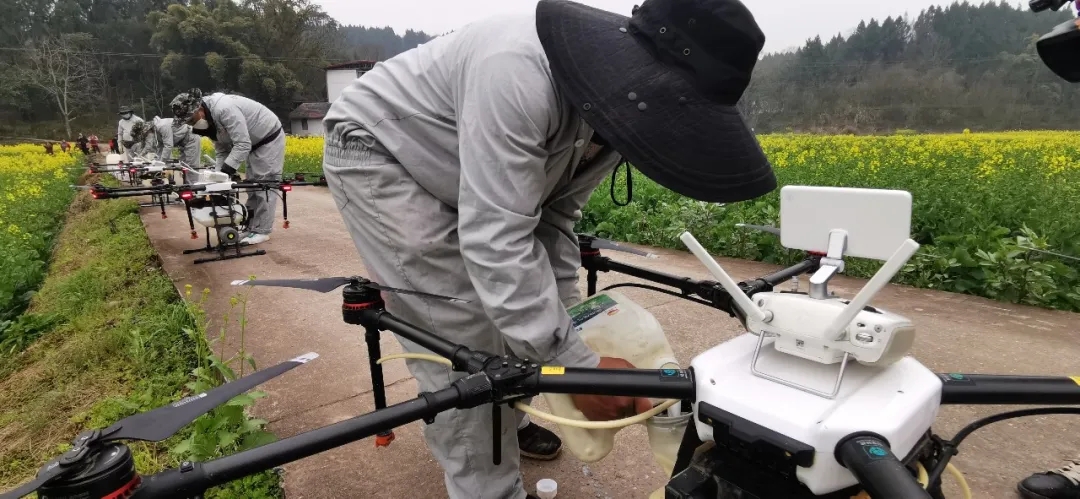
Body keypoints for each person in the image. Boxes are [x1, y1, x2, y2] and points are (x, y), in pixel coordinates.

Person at [320, 0, 774, 497]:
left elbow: (552, 220)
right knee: (460, 330)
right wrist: (577, 370)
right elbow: (496, 239)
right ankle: (488, 485)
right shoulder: (516, 71)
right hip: (383, 149)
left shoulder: (618, 112)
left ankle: (508, 415)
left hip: (459, 165)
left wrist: (574, 335)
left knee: (527, 316)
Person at [170, 88, 285, 246]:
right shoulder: (210, 121)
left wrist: (226, 172)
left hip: (268, 138)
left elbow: (242, 144)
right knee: (252, 187)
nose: (191, 124)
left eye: (191, 120)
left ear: (199, 109)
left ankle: (262, 231)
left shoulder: (224, 109)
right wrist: (218, 179)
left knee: (265, 185)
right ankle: (251, 228)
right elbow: (222, 151)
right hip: (253, 143)